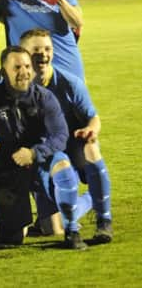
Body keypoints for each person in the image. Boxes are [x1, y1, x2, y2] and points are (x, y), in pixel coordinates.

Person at [0, 46, 87, 249]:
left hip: (41, 163)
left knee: (62, 163)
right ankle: (10, 220)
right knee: (14, 237)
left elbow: (60, 136)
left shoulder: (44, 97)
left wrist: (35, 153)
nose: (24, 72)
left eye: (27, 66)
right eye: (17, 67)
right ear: (3, 71)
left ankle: (73, 230)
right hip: (9, 169)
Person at [20, 28, 112, 242]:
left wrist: (91, 130)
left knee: (92, 147)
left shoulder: (70, 83)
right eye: (36, 50)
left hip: (72, 145)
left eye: (47, 49)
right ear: (24, 52)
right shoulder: (18, 86)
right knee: (54, 227)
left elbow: (93, 118)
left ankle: (104, 220)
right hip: (43, 153)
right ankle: (87, 201)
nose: (43, 54)